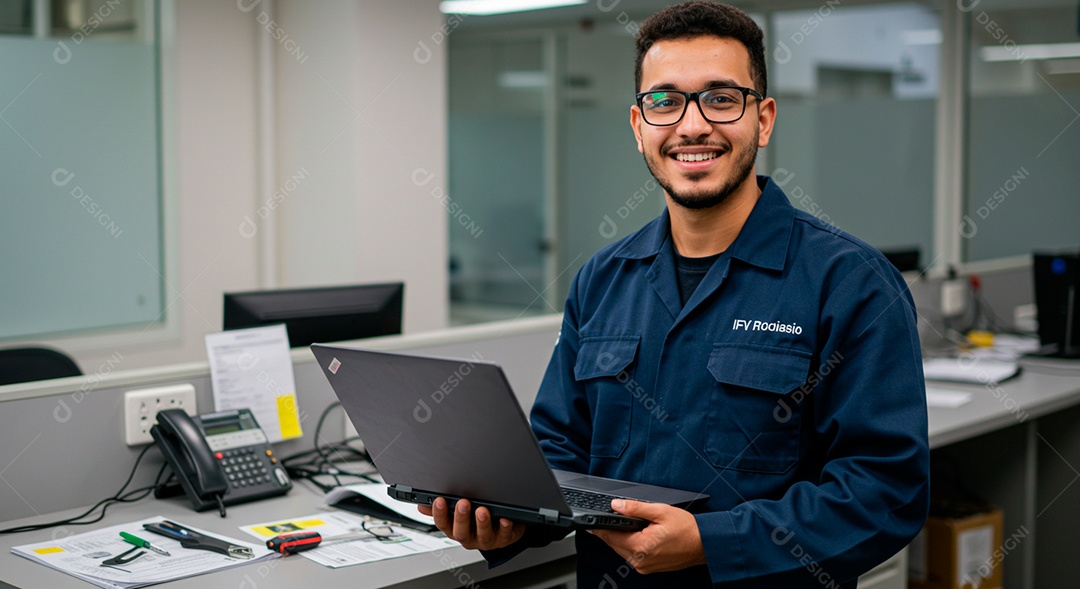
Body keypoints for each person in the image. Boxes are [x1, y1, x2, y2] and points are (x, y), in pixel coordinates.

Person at [420, 2, 929, 586]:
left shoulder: (849, 282)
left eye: (720, 98)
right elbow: (561, 450)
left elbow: (885, 492)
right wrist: (509, 519)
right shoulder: (602, 279)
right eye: (665, 101)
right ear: (639, 127)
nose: (692, 126)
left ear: (762, 120)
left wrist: (712, 542)